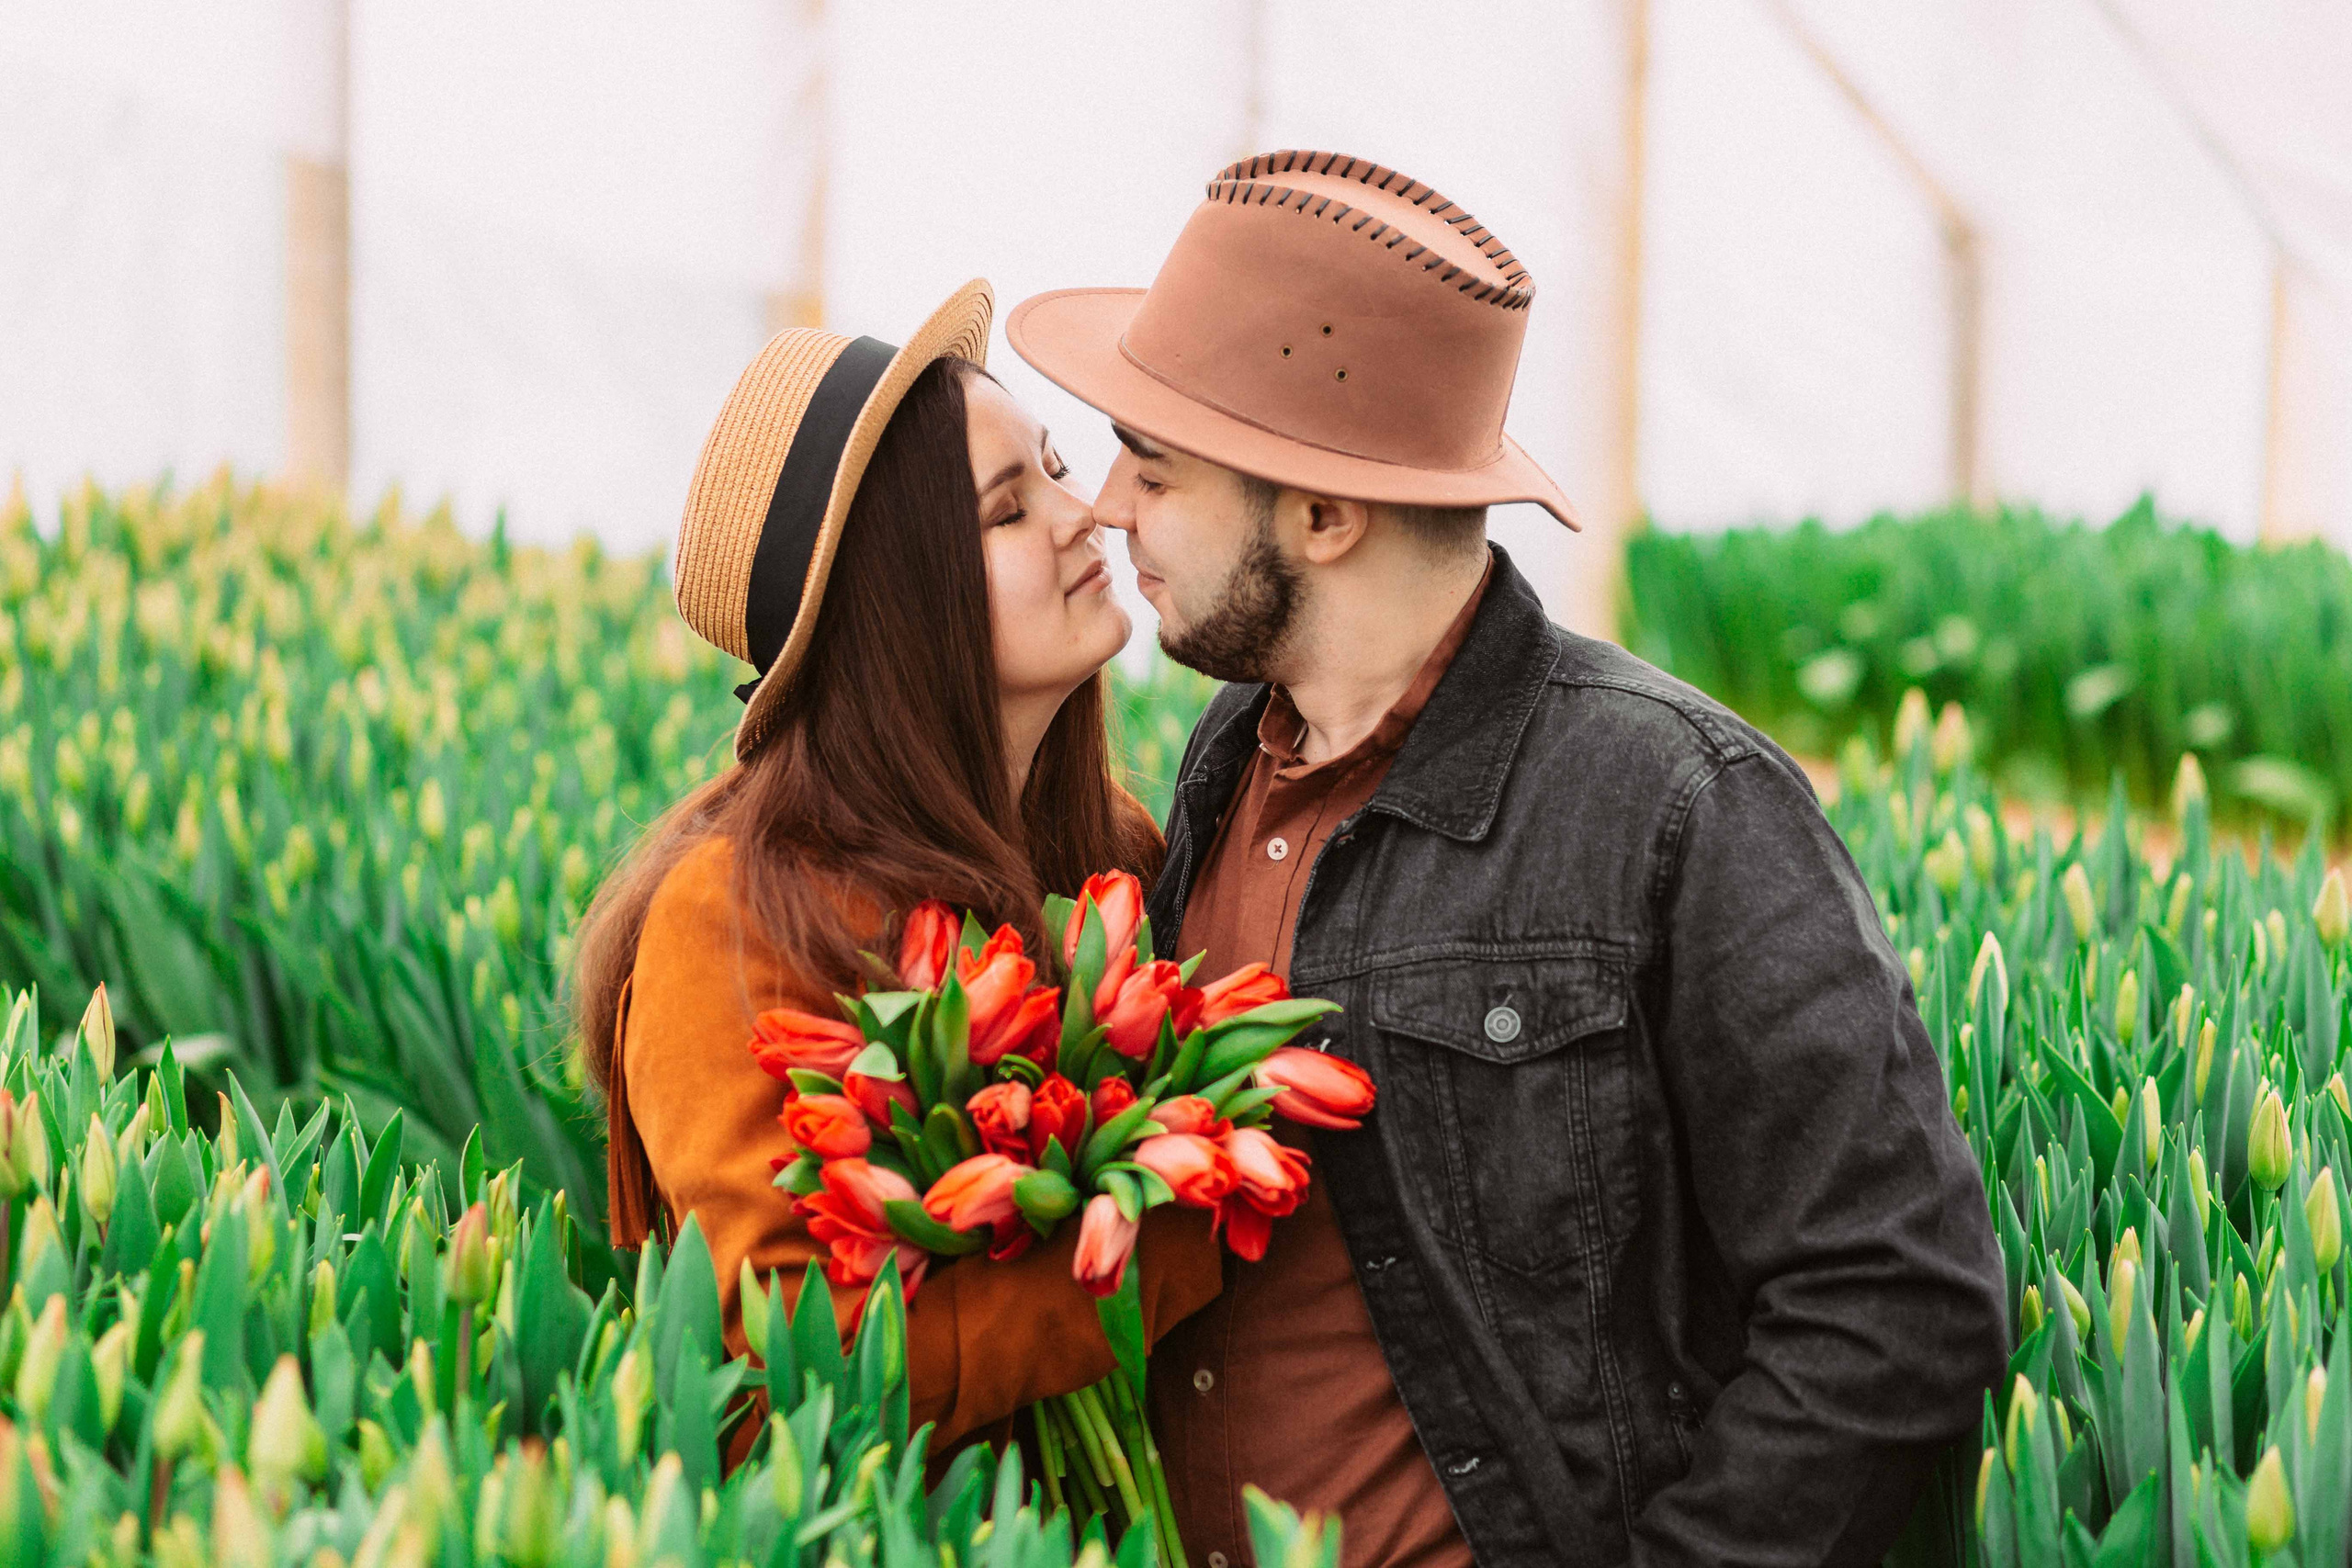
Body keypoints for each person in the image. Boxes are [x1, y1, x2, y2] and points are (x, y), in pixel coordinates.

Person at [1008, 151, 2007, 1566]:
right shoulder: (1232, 752)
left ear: (1324, 515)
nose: (1107, 505)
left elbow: (1897, 1298)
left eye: (1155, 467)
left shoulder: (1676, 806)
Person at [569, 280, 1220, 1452]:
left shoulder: (1114, 854)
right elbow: (799, 1354)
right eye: (1006, 512)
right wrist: (1177, 1238)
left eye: (1056, 469)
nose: (1086, 516)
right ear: (895, 604)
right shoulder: (734, 916)